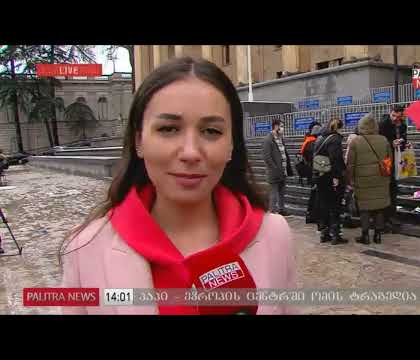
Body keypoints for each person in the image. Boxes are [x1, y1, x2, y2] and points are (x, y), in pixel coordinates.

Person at [61, 57, 296, 315]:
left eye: (211, 131)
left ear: (231, 145)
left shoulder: (275, 235)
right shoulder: (85, 247)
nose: (191, 153)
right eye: (169, 129)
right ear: (139, 140)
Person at [347, 114, 392, 244]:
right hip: (380, 178)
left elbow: (351, 164)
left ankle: (365, 235)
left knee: (364, 208)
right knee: (379, 207)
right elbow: (389, 161)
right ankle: (378, 235)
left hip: (362, 179)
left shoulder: (356, 141)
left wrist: (349, 179)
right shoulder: (384, 140)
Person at [312, 118, 347, 244]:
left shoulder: (320, 138)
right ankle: (335, 235)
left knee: (324, 205)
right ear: (338, 128)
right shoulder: (335, 139)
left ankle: (324, 234)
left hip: (320, 176)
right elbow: (336, 159)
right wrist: (337, 177)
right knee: (335, 205)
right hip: (330, 177)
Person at [378, 104, 407, 233]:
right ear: (390, 113)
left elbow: (404, 138)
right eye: (394, 116)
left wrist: (404, 142)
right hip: (386, 160)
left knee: (393, 188)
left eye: (398, 117)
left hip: (397, 158)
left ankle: (392, 215)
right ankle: (384, 218)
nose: (396, 119)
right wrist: (391, 143)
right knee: (386, 188)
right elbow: (379, 142)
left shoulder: (403, 125)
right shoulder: (383, 124)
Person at [262, 118, 293, 216]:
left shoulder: (280, 138)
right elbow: (267, 157)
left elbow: (283, 153)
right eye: (281, 126)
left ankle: (281, 209)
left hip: (283, 170)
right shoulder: (268, 139)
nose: (282, 128)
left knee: (282, 192)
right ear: (275, 126)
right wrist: (275, 168)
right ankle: (272, 211)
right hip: (274, 172)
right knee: (274, 193)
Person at [303, 124, 323, 224]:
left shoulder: (307, 143)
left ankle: (310, 215)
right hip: (316, 172)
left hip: (310, 171)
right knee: (317, 195)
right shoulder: (317, 143)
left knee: (313, 194)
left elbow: (306, 157)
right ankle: (315, 215)